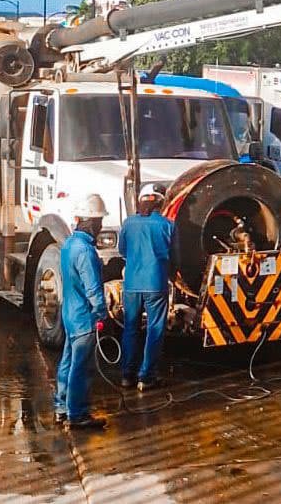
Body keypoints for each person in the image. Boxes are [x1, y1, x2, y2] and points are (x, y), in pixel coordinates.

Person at [54, 194, 108, 430]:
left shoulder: (69, 244)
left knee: (67, 361)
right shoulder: (86, 251)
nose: (101, 226)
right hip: (84, 318)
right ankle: (78, 414)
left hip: (69, 314)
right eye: (99, 222)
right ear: (92, 223)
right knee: (81, 367)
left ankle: (61, 407)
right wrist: (102, 313)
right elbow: (93, 289)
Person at [119, 183, 175, 392]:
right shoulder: (167, 225)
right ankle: (147, 376)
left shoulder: (128, 223)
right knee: (155, 329)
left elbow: (122, 250)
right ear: (161, 202)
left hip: (131, 285)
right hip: (155, 283)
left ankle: (127, 375)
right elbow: (175, 255)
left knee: (130, 328)